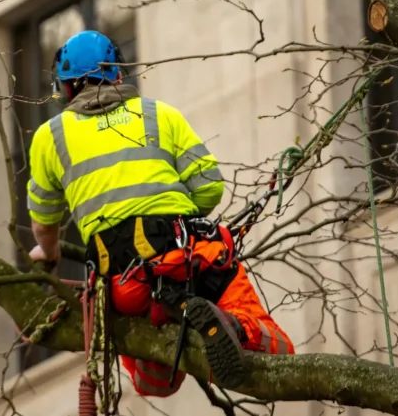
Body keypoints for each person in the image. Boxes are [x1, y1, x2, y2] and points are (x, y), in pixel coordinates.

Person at [26, 30, 294, 397]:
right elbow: (210, 186)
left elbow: (44, 221)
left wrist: (50, 253)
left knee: (156, 384)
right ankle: (232, 326)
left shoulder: (49, 136)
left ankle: (174, 325)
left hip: (122, 287)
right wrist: (178, 213)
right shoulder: (158, 114)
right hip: (188, 261)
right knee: (279, 349)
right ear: (117, 73)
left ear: (68, 89)